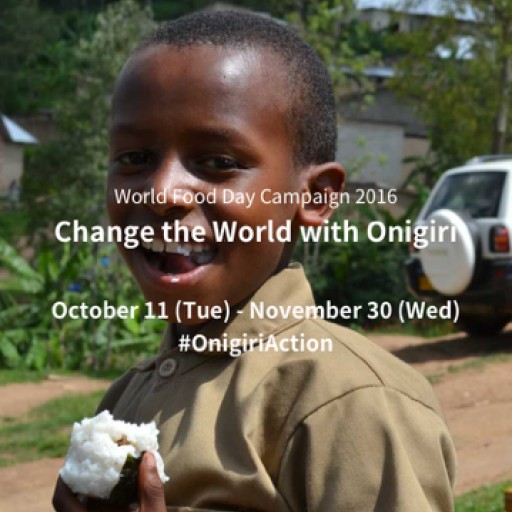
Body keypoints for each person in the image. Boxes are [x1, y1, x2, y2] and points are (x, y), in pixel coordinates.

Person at [53, 10, 457, 512]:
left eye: (218, 163)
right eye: (134, 158)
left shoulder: (348, 401)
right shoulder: (126, 398)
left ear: (314, 196)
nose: (162, 193)